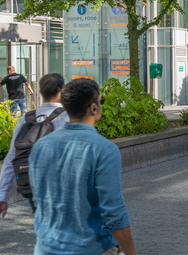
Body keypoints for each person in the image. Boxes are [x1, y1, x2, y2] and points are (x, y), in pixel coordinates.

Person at [28, 77, 136, 255]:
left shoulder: (41, 145)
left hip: (46, 248)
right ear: (93, 107)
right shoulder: (104, 149)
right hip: (90, 248)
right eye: (101, 101)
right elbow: (114, 214)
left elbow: (39, 198)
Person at [0, 73, 68, 220]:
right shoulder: (68, 117)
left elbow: (11, 158)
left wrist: (2, 196)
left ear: (40, 92)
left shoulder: (25, 120)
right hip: (62, 188)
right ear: (62, 91)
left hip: (32, 185)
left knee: (45, 226)